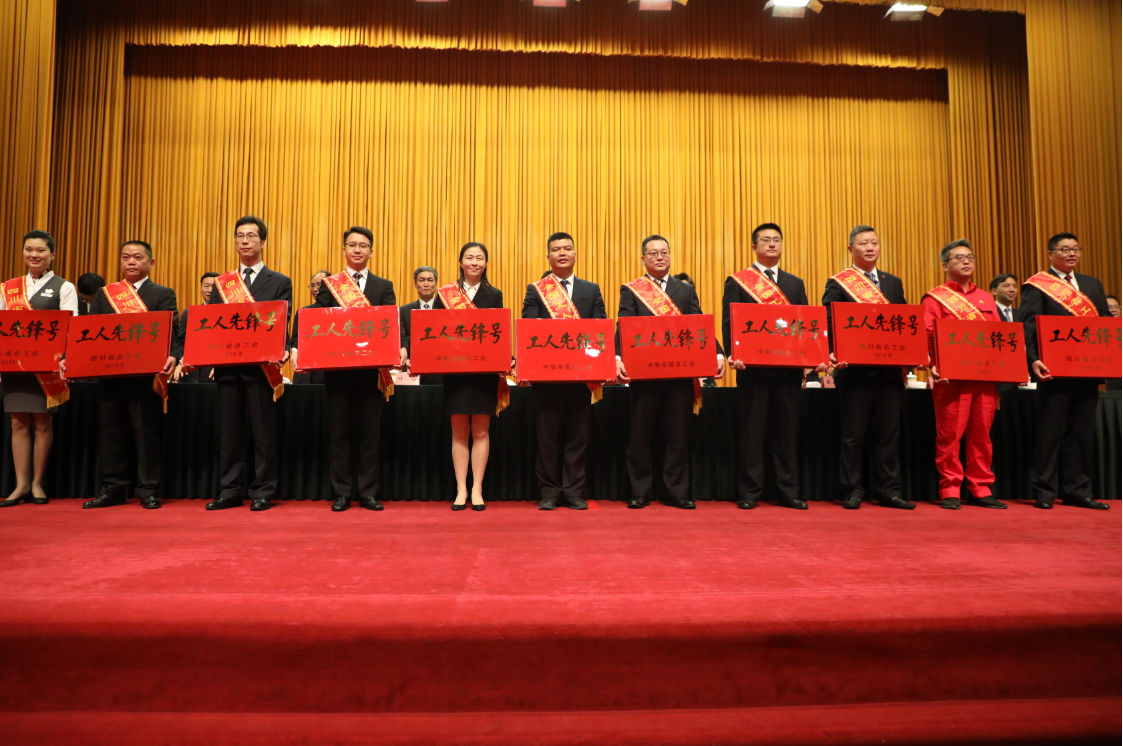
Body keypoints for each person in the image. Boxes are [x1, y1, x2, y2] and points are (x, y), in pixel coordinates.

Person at [180, 215, 292, 511]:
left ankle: (262, 490)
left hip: (260, 369)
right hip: (228, 368)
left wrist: (283, 350)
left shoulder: (279, 282)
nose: (244, 241)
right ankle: (229, 490)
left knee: (262, 433)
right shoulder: (222, 284)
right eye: (240, 236)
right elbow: (213, 324)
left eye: (251, 236)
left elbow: (282, 323)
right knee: (229, 434)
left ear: (262, 242)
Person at [290, 228, 400, 512]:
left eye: (363, 245)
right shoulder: (331, 285)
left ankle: (368, 492)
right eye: (352, 245)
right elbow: (313, 317)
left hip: (370, 371)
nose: (357, 250)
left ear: (371, 252)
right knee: (338, 432)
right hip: (337, 371)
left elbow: (390, 323)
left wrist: (399, 348)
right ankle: (341, 492)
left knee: (369, 432)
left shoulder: (383, 286)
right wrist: (296, 347)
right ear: (344, 250)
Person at [618, 235, 725, 510]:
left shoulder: (685, 290)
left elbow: (699, 324)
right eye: (653, 253)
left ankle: (676, 491)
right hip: (645, 375)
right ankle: (640, 491)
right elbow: (624, 326)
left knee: (677, 435)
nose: (660, 257)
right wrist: (617, 357)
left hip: (679, 375)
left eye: (664, 252)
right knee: (640, 435)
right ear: (643, 258)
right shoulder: (632, 290)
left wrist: (717, 353)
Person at [76, 241, 180, 509]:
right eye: (125, 257)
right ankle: (113, 488)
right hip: (111, 377)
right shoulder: (105, 294)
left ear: (151, 263)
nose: (131, 262)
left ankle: (148, 490)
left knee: (146, 436)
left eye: (137, 257)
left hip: (146, 379)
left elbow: (173, 334)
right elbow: (90, 332)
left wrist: (174, 355)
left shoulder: (162, 294)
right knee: (111, 434)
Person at [403, 242, 506, 511]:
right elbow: (434, 332)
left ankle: (477, 488)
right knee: (459, 432)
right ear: (460, 262)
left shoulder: (494, 295)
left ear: (486, 263)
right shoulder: (445, 294)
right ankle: (461, 489)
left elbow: (497, 332)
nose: (474, 262)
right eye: (469, 257)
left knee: (481, 431)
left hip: (483, 371)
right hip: (455, 371)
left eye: (479, 258)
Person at [722, 223, 817, 511]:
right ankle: (750, 491)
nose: (772, 244)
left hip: (788, 371)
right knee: (752, 433)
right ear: (754, 247)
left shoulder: (795, 284)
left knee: (786, 433)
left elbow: (804, 325)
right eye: (766, 240)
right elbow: (729, 324)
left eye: (777, 240)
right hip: (753, 371)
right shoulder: (738, 282)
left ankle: (788, 491)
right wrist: (733, 354)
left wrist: (809, 359)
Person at [822, 225, 914, 510]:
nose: (870, 247)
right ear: (851, 249)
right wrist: (834, 352)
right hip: (855, 372)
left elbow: (903, 323)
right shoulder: (839, 283)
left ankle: (889, 490)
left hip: (889, 371)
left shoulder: (892, 283)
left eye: (874, 242)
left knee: (889, 434)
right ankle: (852, 488)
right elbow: (830, 322)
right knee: (854, 435)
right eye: (863, 243)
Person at [1021, 233, 1112, 510]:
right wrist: (1033, 360)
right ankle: (1044, 491)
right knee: (1051, 432)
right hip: (1054, 370)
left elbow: (1105, 326)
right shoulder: (1038, 285)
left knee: (1082, 432)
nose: (1072, 254)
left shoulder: (1092, 284)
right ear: (1051, 254)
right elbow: (1028, 327)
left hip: (1088, 369)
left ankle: (1077, 490)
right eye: (1065, 249)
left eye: (1075, 249)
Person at [521, 232, 607, 511]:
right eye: (556, 249)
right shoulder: (536, 290)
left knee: (577, 437)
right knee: (547, 438)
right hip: (548, 376)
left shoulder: (591, 289)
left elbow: (600, 329)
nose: (562, 253)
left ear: (575, 254)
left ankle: (573, 491)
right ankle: (549, 491)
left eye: (567, 248)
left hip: (581, 376)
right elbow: (530, 329)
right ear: (548, 256)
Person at [922, 239, 1006, 510]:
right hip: (951, 379)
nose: (966, 261)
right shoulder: (935, 298)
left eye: (970, 257)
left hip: (983, 377)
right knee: (950, 435)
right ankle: (950, 488)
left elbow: (999, 336)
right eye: (959, 258)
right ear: (945, 265)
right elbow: (928, 336)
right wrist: (933, 365)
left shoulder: (987, 299)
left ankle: (981, 487)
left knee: (982, 435)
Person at [0, 230, 78, 507]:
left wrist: (65, 358)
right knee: (17, 422)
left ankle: (37, 483)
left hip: (47, 368)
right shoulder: (8, 288)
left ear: (52, 254)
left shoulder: (64, 287)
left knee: (43, 423)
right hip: (15, 366)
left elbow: (71, 327)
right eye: (29, 249)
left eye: (40, 250)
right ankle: (21, 484)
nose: (34, 255)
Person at [398, 266, 442, 385]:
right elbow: (402, 337)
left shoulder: (445, 309)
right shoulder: (404, 310)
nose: (426, 284)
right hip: (411, 366)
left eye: (430, 280)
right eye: (421, 280)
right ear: (415, 284)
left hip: (439, 366)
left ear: (436, 284)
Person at [173, 272, 219, 383]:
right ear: (201, 288)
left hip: (217, 369)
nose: (210, 290)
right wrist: (181, 361)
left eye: (214, 287)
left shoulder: (228, 313)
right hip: (191, 368)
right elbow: (181, 341)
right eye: (206, 286)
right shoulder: (189, 313)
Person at [289, 270, 331, 385]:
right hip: (307, 368)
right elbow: (296, 338)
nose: (315, 289)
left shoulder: (338, 311)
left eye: (319, 285)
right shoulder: (304, 312)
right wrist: (294, 351)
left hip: (330, 366)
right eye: (312, 286)